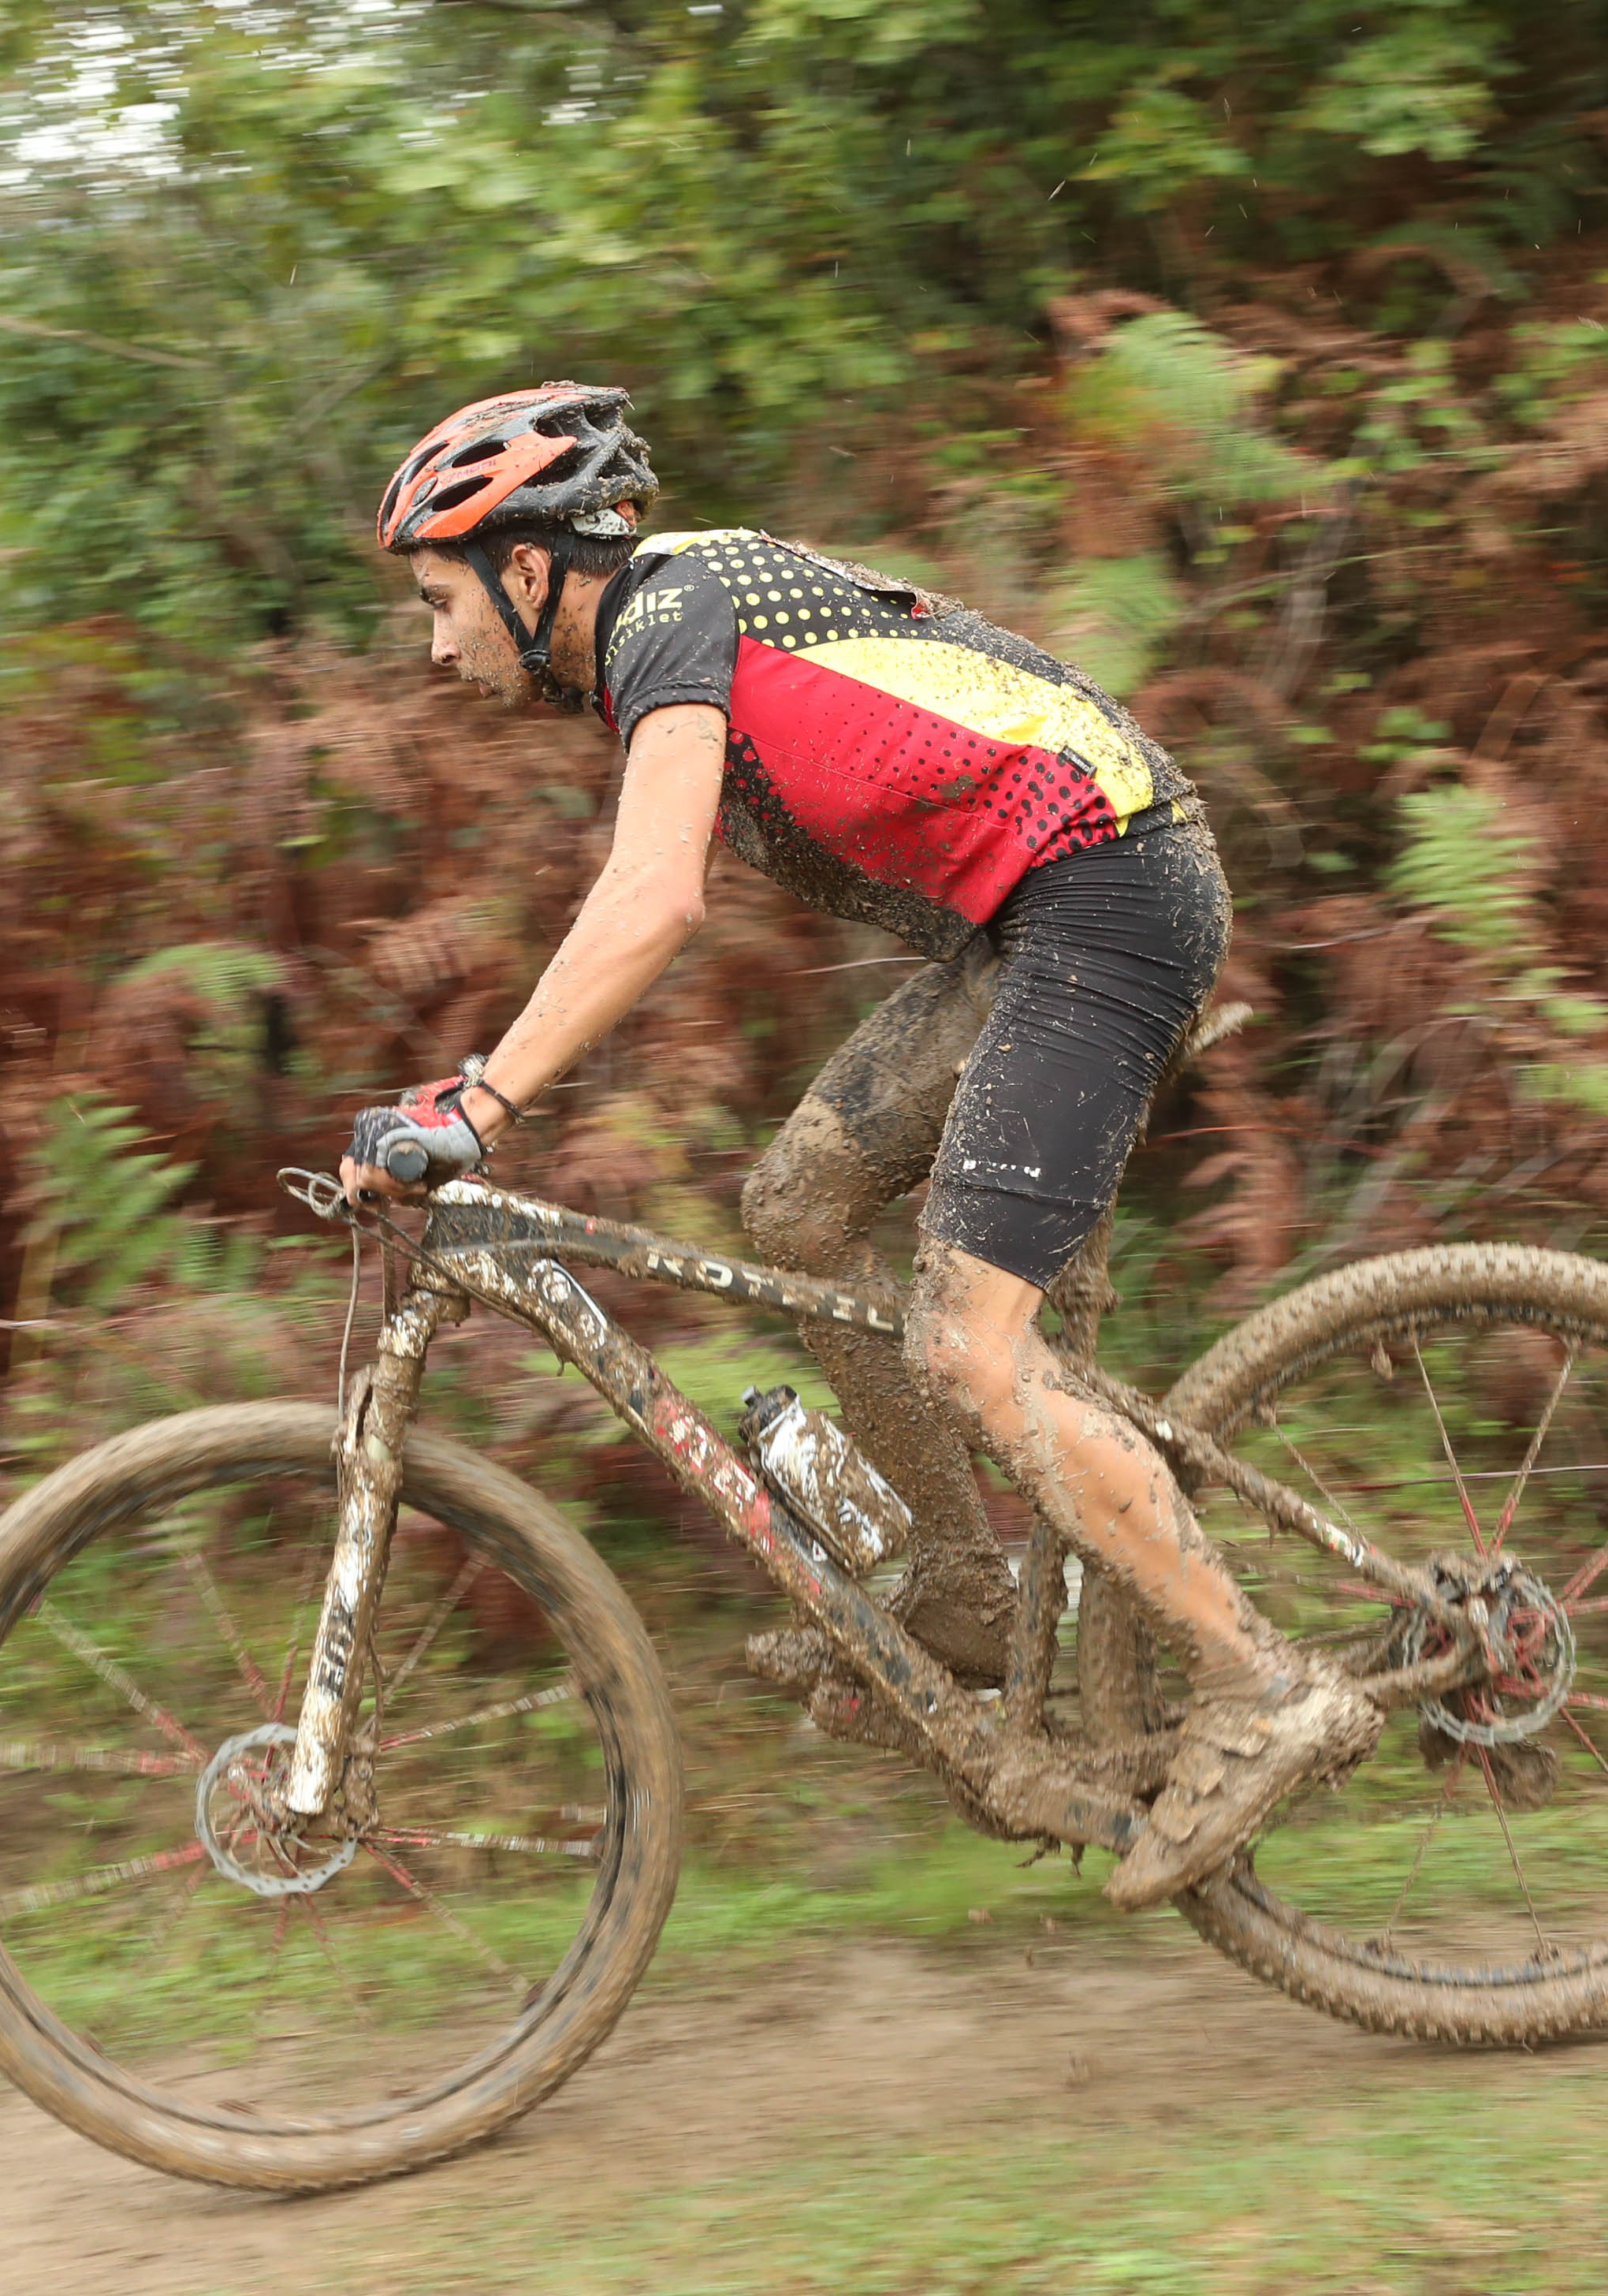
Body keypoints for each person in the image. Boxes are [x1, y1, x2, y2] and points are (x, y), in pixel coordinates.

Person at [337, 382, 1376, 1911]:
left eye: (442, 601)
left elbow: (651, 896)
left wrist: (477, 1105)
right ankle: (966, 1579)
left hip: (1113, 892)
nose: (434, 647)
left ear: (535, 562)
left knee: (970, 1346)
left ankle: (1261, 1684)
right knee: (798, 1202)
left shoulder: (666, 612)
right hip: (1041, 920)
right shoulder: (662, 637)